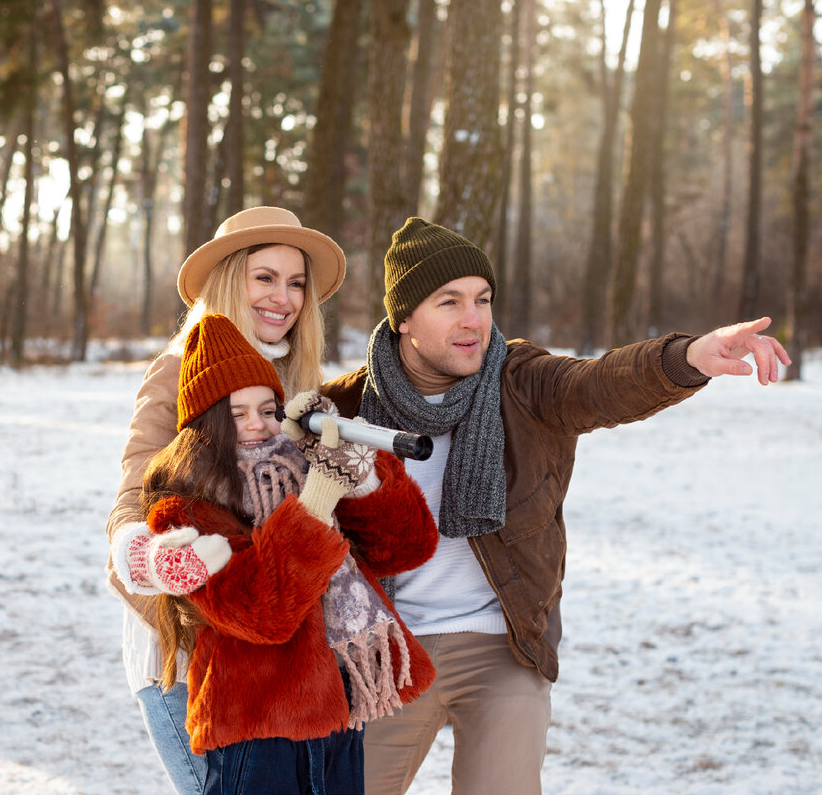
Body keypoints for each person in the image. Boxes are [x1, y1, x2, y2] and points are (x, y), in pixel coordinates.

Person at [319, 216, 793, 795]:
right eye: (449, 302)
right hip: (383, 651)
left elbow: (598, 385)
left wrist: (690, 356)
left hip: (498, 643)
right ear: (404, 318)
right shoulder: (340, 411)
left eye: (483, 298)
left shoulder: (520, 381)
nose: (474, 319)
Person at [111, 313, 438, 794]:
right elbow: (261, 611)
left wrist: (362, 475)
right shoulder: (185, 505)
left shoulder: (304, 468)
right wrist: (315, 506)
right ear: (207, 424)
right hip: (255, 727)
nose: (257, 426)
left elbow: (408, 545)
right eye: (236, 414)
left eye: (267, 409)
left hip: (339, 711)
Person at [104, 206, 347, 794]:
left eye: (295, 283)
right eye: (264, 277)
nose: (283, 297)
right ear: (228, 281)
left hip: (269, 647)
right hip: (187, 650)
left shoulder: (293, 378)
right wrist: (145, 553)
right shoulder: (180, 367)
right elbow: (136, 487)